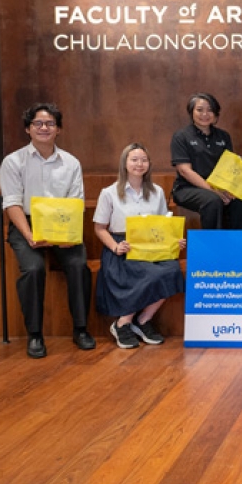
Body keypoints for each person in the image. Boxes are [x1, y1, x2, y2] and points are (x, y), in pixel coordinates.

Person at [0, 102, 94, 358]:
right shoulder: (13, 161)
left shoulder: (71, 163)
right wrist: (30, 235)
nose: (44, 128)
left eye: (50, 123)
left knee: (78, 265)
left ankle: (81, 329)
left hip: (62, 222)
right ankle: (35, 334)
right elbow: (12, 203)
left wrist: (68, 235)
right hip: (26, 223)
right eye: (38, 123)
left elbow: (75, 203)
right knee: (33, 269)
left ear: (58, 129)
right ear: (28, 129)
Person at [94, 143, 186, 349]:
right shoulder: (109, 193)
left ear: (149, 164)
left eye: (144, 160)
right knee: (152, 274)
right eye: (134, 159)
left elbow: (163, 225)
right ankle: (122, 323)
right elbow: (99, 228)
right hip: (123, 247)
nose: (139, 164)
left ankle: (143, 320)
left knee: (172, 270)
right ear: (124, 163)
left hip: (152, 246)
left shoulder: (157, 192)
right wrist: (115, 247)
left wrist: (174, 241)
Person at [170, 92, 242, 230]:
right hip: (187, 188)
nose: (205, 114)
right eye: (200, 110)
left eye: (210, 110)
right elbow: (184, 170)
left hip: (219, 187)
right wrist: (213, 190)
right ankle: (212, 242)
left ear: (216, 114)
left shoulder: (223, 136)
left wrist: (229, 190)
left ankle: (239, 241)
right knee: (213, 200)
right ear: (191, 112)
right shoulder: (181, 136)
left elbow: (228, 167)